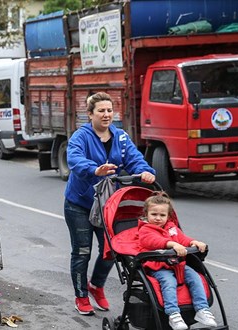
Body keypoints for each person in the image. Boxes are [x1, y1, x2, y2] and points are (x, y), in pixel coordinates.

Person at [64, 92, 155, 315]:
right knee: (82, 251)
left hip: (107, 204)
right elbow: (74, 159)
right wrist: (94, 169)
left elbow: (135, 160)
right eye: (101, 111)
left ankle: (97, 286)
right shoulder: (81, 136)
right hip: (80, 204)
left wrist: (146, 173)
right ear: (90, 114)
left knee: (112, 250)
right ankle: (81, 296)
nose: (106, 115)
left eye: (109, 110)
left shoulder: (121, 137)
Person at [138, 192, 217, 330]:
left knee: (195, 277)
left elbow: (182, 239)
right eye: (154, 214)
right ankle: (173, 314)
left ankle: (202, 309)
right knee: (169, 282)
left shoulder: (172, 227)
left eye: (162, 215)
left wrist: (194, 242)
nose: (158, 218)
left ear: (168, 216)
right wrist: (172, 244)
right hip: (158, 266)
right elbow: (153, 241)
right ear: (146, 214)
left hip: (177, 264)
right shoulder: (145, 230)